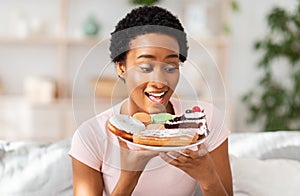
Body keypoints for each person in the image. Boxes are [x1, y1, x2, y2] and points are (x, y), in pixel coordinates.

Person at [69, 5, 233, 196]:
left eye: (171, 67)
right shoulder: (91, 136)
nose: (160, 81)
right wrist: (129, 178)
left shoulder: (205, 120)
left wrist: (209, 178)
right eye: (146, 67)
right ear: (121, 67)